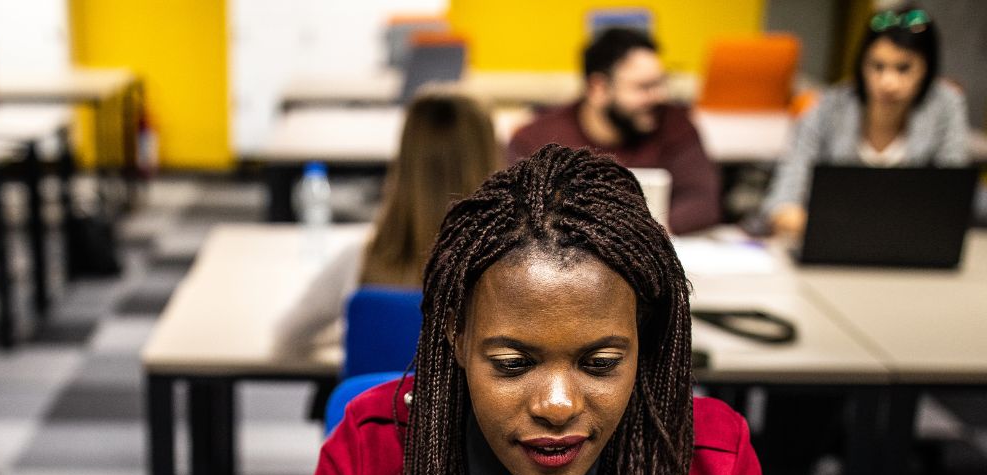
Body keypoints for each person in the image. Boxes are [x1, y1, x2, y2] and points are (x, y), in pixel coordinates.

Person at [274, 145, 794, 475]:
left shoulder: (714, 464)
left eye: (601, 363)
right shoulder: (371, 450)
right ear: (456, 337)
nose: (557, 405)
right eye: (514, 364)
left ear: (644, 341)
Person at [273, 90, 500, 359]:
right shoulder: (512, 275)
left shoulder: (358, 261)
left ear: (402, 165)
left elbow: (286, 338)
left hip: (378, 402)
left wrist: (351, 334)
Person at [763, 5, 969, 238]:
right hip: (834, 244)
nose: (888, 82)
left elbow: (953, 197)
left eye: (903, 68)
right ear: (861, 65)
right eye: (877, 66)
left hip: (913, 249)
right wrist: (802, 219)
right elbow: (783, 199)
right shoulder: (827, 107)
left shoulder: (945, 105)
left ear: (927, 69)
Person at [506, 28, 721, 235]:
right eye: (644, 87)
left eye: (661, 83)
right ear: (598, 88)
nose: (659, 96)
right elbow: (513, 208)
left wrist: (648, 237)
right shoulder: (537, 138)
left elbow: (702, 200)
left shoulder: (675, 125)